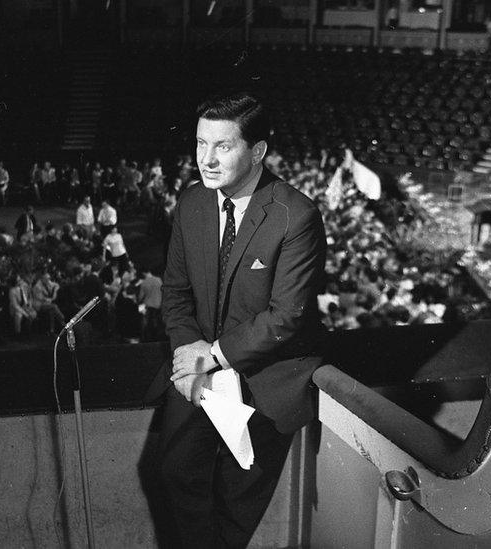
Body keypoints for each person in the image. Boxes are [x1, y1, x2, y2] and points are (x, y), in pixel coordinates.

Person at [158, 91, 327, 548]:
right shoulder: (192, 203)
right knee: (174, 471)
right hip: (199, 369)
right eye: (199, 144)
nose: (206, 160)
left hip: (267, 379)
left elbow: (286, 317)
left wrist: (211, 355)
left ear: (258, 152)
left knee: (238, 501)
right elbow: (175, 294)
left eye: (223, 146)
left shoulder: (297, 216)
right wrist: (190, 351)